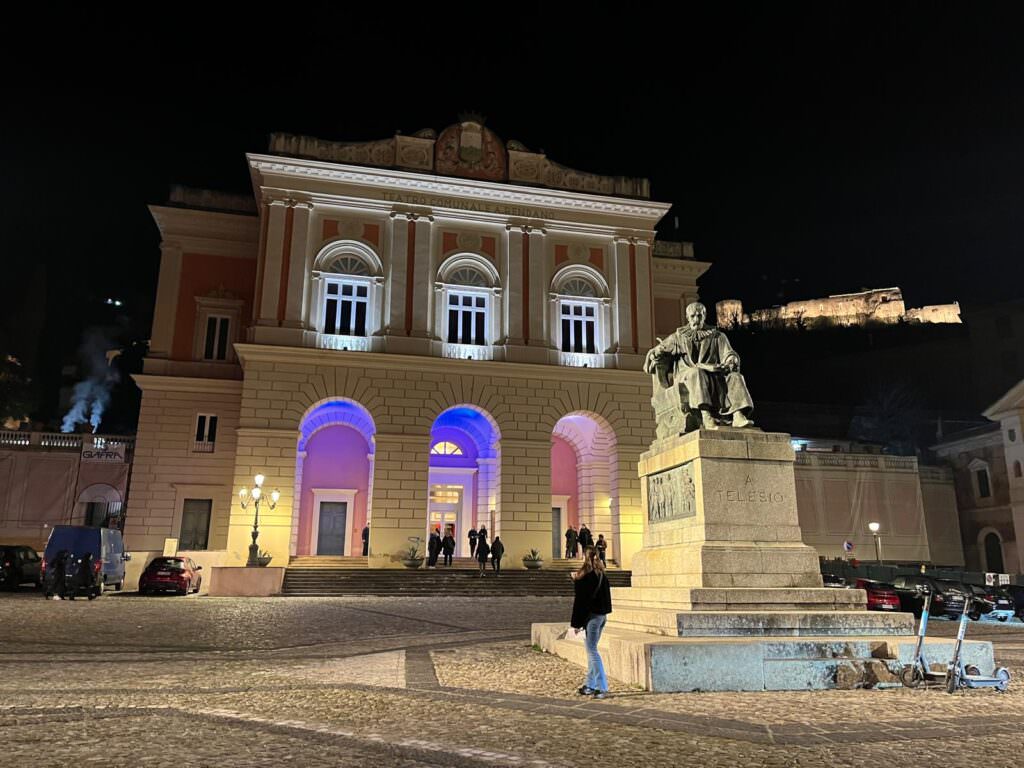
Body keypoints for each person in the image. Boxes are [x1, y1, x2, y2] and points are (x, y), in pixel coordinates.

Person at [643, 301, 754, 432]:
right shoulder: (678, 337)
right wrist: (657, 354)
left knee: (735, 377)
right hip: (686, 377)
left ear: (704, 316)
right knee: (697, 372)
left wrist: (731, 361)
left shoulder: (717, 336)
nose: (696, 319)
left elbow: (729, 353)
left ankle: (737, 414)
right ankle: (706, 415)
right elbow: (654, 354)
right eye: (693, 316)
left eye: (699, 316)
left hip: (713, 375)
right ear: (687, 317)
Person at [570, 546, 612, 699]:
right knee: (591, 651)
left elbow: (580, 602)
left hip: (592, 618)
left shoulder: (585, 577)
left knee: (592, 651)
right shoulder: (602, 574)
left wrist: (576, 624)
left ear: (585, 557)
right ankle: (590, 685)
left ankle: (602, 687)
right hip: (602, 616)